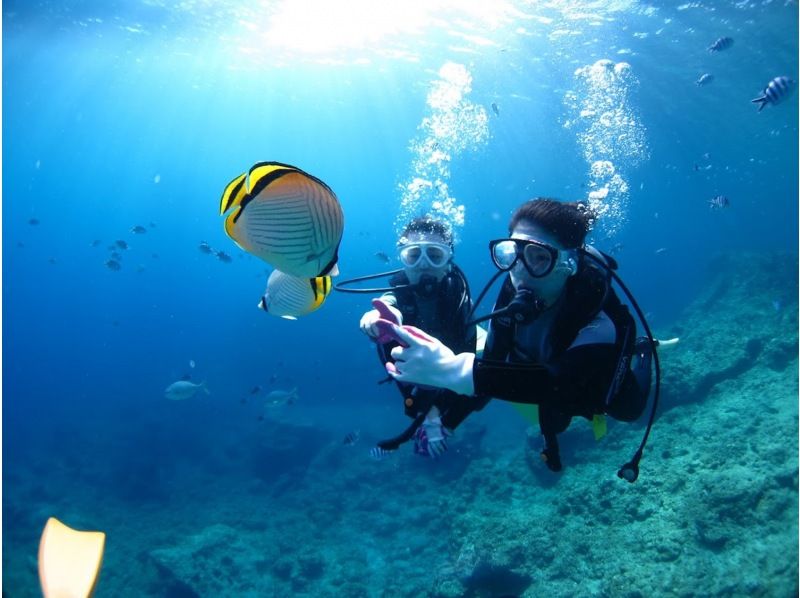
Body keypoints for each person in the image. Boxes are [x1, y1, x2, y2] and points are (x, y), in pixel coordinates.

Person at [380, 199, 656, 477]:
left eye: (539, 257)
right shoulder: (513, 288)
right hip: (547, 369)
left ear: (568, 263)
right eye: (513, 252)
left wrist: (458, 370)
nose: (521, 270)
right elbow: (491, 366)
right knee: (554, 422)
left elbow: (572, 387)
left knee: (628, 409)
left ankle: (643, 351)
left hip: (581, 373)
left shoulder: (592, 301)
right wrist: (447, 422)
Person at [359, 216, 477, 459]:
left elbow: (469, 360)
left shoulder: (460, 297)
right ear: (404, 261)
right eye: (414, 256)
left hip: (452, 364)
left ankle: (439, 421)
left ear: (448, 262)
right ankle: (431, 418)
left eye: (435, 255)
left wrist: (443, 420)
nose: (423, 265)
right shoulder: (396, 294)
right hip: (417, 374)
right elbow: (387, 303)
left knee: (481, 377)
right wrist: (376, 318)